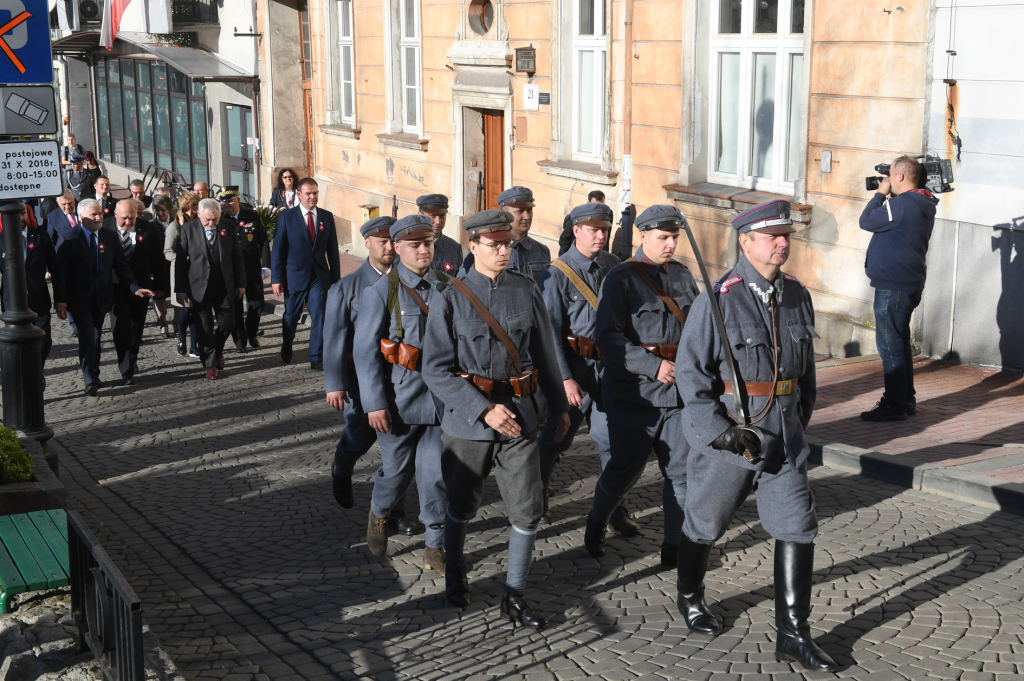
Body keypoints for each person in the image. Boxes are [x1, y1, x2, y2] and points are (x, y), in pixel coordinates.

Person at [674, 199, 835, 672]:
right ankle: (690, 595)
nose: (782, 243)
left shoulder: (797, 295)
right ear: (746, 241)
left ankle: (793, 633)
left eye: (786, 236)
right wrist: (720, 434)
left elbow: (803, 376)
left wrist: (798, 421)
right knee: (705, 523)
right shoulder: (718, 298)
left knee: (797, 526)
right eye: (772, 236)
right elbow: (691, 376)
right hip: (733, 437)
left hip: (783, 436)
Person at [422, 208, 570, 629]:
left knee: (527, 509)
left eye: (507, 244)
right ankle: (455, 577)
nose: (504, 250)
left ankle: (515, 594)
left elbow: (544, 353)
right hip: (470, 421)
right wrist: (483, 409)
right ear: (473, 246)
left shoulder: (525, 289)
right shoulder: (450, 296)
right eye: (495, 245)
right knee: (462, 505)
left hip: (520, 417)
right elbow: (434, 368)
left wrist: (559, 406)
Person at [583, 205, 699, 568]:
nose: (671, 244)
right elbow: (608, 338)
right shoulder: (620, 279)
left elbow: (698, 330)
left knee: (679, 473)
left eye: (675, 237)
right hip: (634, 394)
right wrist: (652, 366)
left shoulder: (682, 276)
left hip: (678, 395)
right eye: (663, 237)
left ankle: (674, 546)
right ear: (643, 235)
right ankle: (597, 522)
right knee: (624, 469)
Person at [354, 215, 449, 575]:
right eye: (415, 245)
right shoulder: (381, 292)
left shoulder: (447, 286)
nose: (424, 250)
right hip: (399, 402)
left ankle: (435, 544)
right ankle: (380, 512)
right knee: (396, 472)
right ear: (396, 248)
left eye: (428, 243)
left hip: (440, 402)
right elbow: (365, 352)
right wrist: (374, 403)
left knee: (435, 472)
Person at [535, 202, 636, 529]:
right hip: (573, 371)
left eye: (605, 230)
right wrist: (564, 378)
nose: (601, 236)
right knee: (555, 437)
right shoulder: (557, 274)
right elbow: (549, 333)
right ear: (576, 230)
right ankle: (539, 496)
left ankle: (614, 507)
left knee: (612, 440)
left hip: (608, 371)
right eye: (594, 230)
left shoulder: (613, 265)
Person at [324, 217, 421, 535]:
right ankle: (343, 464)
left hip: (401, 382)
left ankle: (395, 513)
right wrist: (335, 384)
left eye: (391, 241)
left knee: (399, 453)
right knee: (358, 437)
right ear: (367, 243)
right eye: (382, 241)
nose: (388, 248)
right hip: (362, 383)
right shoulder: (347, 287)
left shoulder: (410, 282)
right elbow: (335, 338)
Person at [858, 155, 938, 421]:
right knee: (900, 343)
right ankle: (906, 399)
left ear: (900, 177)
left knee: (890, 346)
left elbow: (867, 220)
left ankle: (894, 404)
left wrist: (880, 194)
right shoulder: (923, 201)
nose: (887, 181)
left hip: (893, 287)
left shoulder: (902, 204)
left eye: (890, 176)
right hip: (907, 283)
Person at [57, 199, 155, 396]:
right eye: (94, 215)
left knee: (97, 335)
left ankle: (94, 373)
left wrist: (134, 287)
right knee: (89, 337)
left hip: (102, 297)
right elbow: (61, 274)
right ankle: (90, 380)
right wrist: (61, 300)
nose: (99, 217)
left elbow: (121, 266)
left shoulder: (109, 237)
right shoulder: (68, 238)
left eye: (100, 213)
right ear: (82, 217)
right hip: (79, 299)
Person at [271, 177, 341, 370]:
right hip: (294, 276)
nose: (312, 197)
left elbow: (333, 251)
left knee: (319, 316)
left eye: (315, 193)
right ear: (299, 195)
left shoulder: (326, 217)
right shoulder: (287, 217)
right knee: (291, 317)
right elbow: (278, 250)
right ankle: (287, 343)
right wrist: (276, 279)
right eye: (308, 193)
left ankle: (316, 357)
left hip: (318, 277)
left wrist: (336, 281)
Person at [175, 199, 246, 379]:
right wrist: (180, 289)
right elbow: (181, 263)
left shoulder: (228, 227)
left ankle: (217, 349)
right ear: (198, 214)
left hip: (224, 285)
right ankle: (210, 365)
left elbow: (237, 258)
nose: (211, 224)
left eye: (215, 220)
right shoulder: (187, 230)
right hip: (199, 287)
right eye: (207, 220)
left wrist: (241, 283)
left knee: (228, 323)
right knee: (204, 327)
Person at [103, 199, 167, 385]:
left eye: (132, 218)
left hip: (141, 286)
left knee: (135, 325)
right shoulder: (105, 227)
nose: (128, 222)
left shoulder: (147, 229)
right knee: (119, 325)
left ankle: (133, 354)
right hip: (113, 285)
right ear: (116, 215)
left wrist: (161, 288)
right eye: (124, 219)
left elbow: (157, 259)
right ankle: (125, 368)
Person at [0, 204, 67, 366]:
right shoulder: (1, 239)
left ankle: (35, 371)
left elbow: (56, 270)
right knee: (17, 342)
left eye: (22, 213)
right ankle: (26, 374)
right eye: (15, 214)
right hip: (12, 303)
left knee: (43, 341)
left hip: (39, 300)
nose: (19, 218)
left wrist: (61, 299)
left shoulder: (40, 237)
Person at [459, 186, 550, 281]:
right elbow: (464, 283)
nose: (527, 216)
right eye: (520, 211)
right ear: (505, 215)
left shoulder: (542, 251)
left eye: (529, 210)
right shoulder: (486, 249)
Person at [218, 186, 267, 351]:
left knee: (257, 303)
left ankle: (251, 332)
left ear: (238, 200)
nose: (227, 204)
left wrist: (266, 265)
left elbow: (264, 241)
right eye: (223, 202)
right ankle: (240, 341)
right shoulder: (219, 220)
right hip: (231, 273)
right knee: (236, 308)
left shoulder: (252, 216)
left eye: (230, 200)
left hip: (251, 269)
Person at [165, 191, 201, 358]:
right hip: (182, 272)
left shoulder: (199, 223)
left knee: (196, 310)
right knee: (186, 309)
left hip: (197, 273)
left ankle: (194, 346)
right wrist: (182, 258)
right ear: (191, 207)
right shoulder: (174, 226)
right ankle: (181, 337)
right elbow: (167, 251)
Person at [416, 194, 462, 275]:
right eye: (432, 215)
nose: (438, 222)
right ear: (420, 215)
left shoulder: (455, 248)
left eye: (442, 216)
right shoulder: (409, 247)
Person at [149, 195, 175, 338]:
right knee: (159, 295)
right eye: (157, 210)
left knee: (177, 293)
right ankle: (163, 323)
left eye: (163, 210)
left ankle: (176, 321)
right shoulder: (151, 225)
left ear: (169, 209)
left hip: (174, 264)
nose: (160, 213)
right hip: (158, 265)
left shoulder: (177, 222)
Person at [558, 190, 610, 256]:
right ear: (588, 201)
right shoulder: (580, 215)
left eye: (601, 205)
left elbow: (607, 238)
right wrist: (564, 258)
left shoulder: (607, 213)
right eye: (593, 230)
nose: (601, 236)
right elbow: (565, 238)